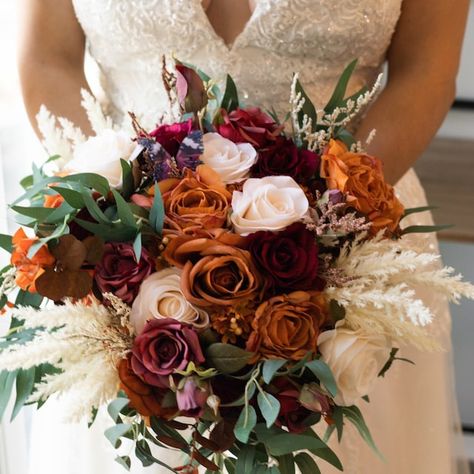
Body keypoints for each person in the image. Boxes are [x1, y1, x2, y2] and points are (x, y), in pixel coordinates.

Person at [17, 0, 470, 473]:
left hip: (352, 248)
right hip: (125, 263)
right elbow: (48, 60)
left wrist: (323, 227)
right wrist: (115, 215)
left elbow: (425, 71)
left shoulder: (339, 233)